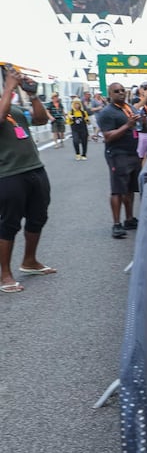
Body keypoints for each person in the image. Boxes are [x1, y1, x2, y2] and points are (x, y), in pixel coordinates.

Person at [0, 64, 57, 293]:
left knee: (38, 216)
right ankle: (5, 275)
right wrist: (9, 88)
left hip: (34, 168)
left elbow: (41, 120)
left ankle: (30, 261)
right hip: (8, 174)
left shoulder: (12, 108)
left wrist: (32, 96)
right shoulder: (5, 105)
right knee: (9, 224)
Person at [97, 82, 143, 239]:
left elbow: (139, 125)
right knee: (118, 189)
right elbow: (108, 136)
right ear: (110, 94)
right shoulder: (106, 113)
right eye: (117, 91)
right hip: (117, 154)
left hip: (133, 153)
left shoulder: (130, 107)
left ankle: (129, 219)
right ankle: (116, 224)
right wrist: (128, 125)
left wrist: (141, 120)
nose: (121, 93)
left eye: (123, 90)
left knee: (130, 188)